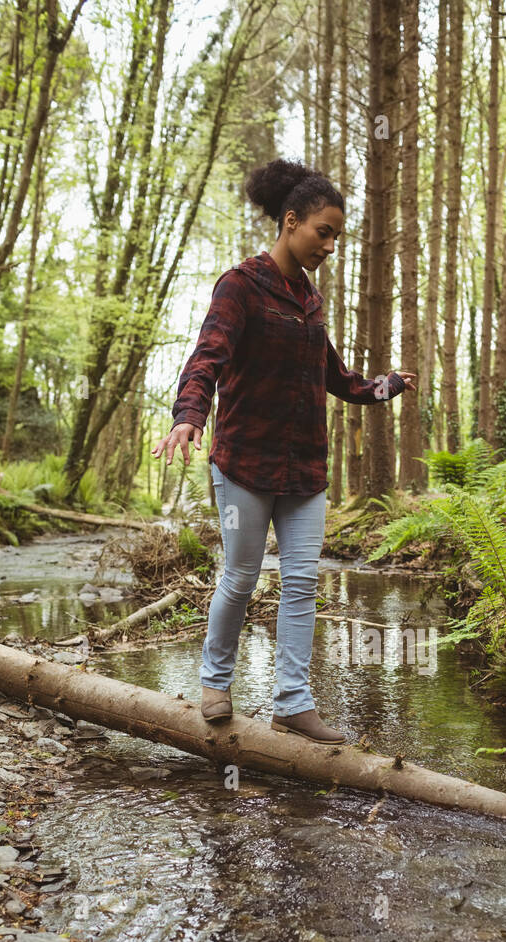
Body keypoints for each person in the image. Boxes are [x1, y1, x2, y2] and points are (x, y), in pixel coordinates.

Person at [152, 158, 417, 743]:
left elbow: (340, 380)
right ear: (291, 220)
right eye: (323, 231)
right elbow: (207, 357)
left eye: (336, 237)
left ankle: (292, 703)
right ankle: (214, 683)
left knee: (302, 583)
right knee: (241, 577)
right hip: (244, 466)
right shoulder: (240, 286)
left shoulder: (312, 304)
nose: (329, 245)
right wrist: (189, 416)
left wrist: (387, 384)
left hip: (305, 472)